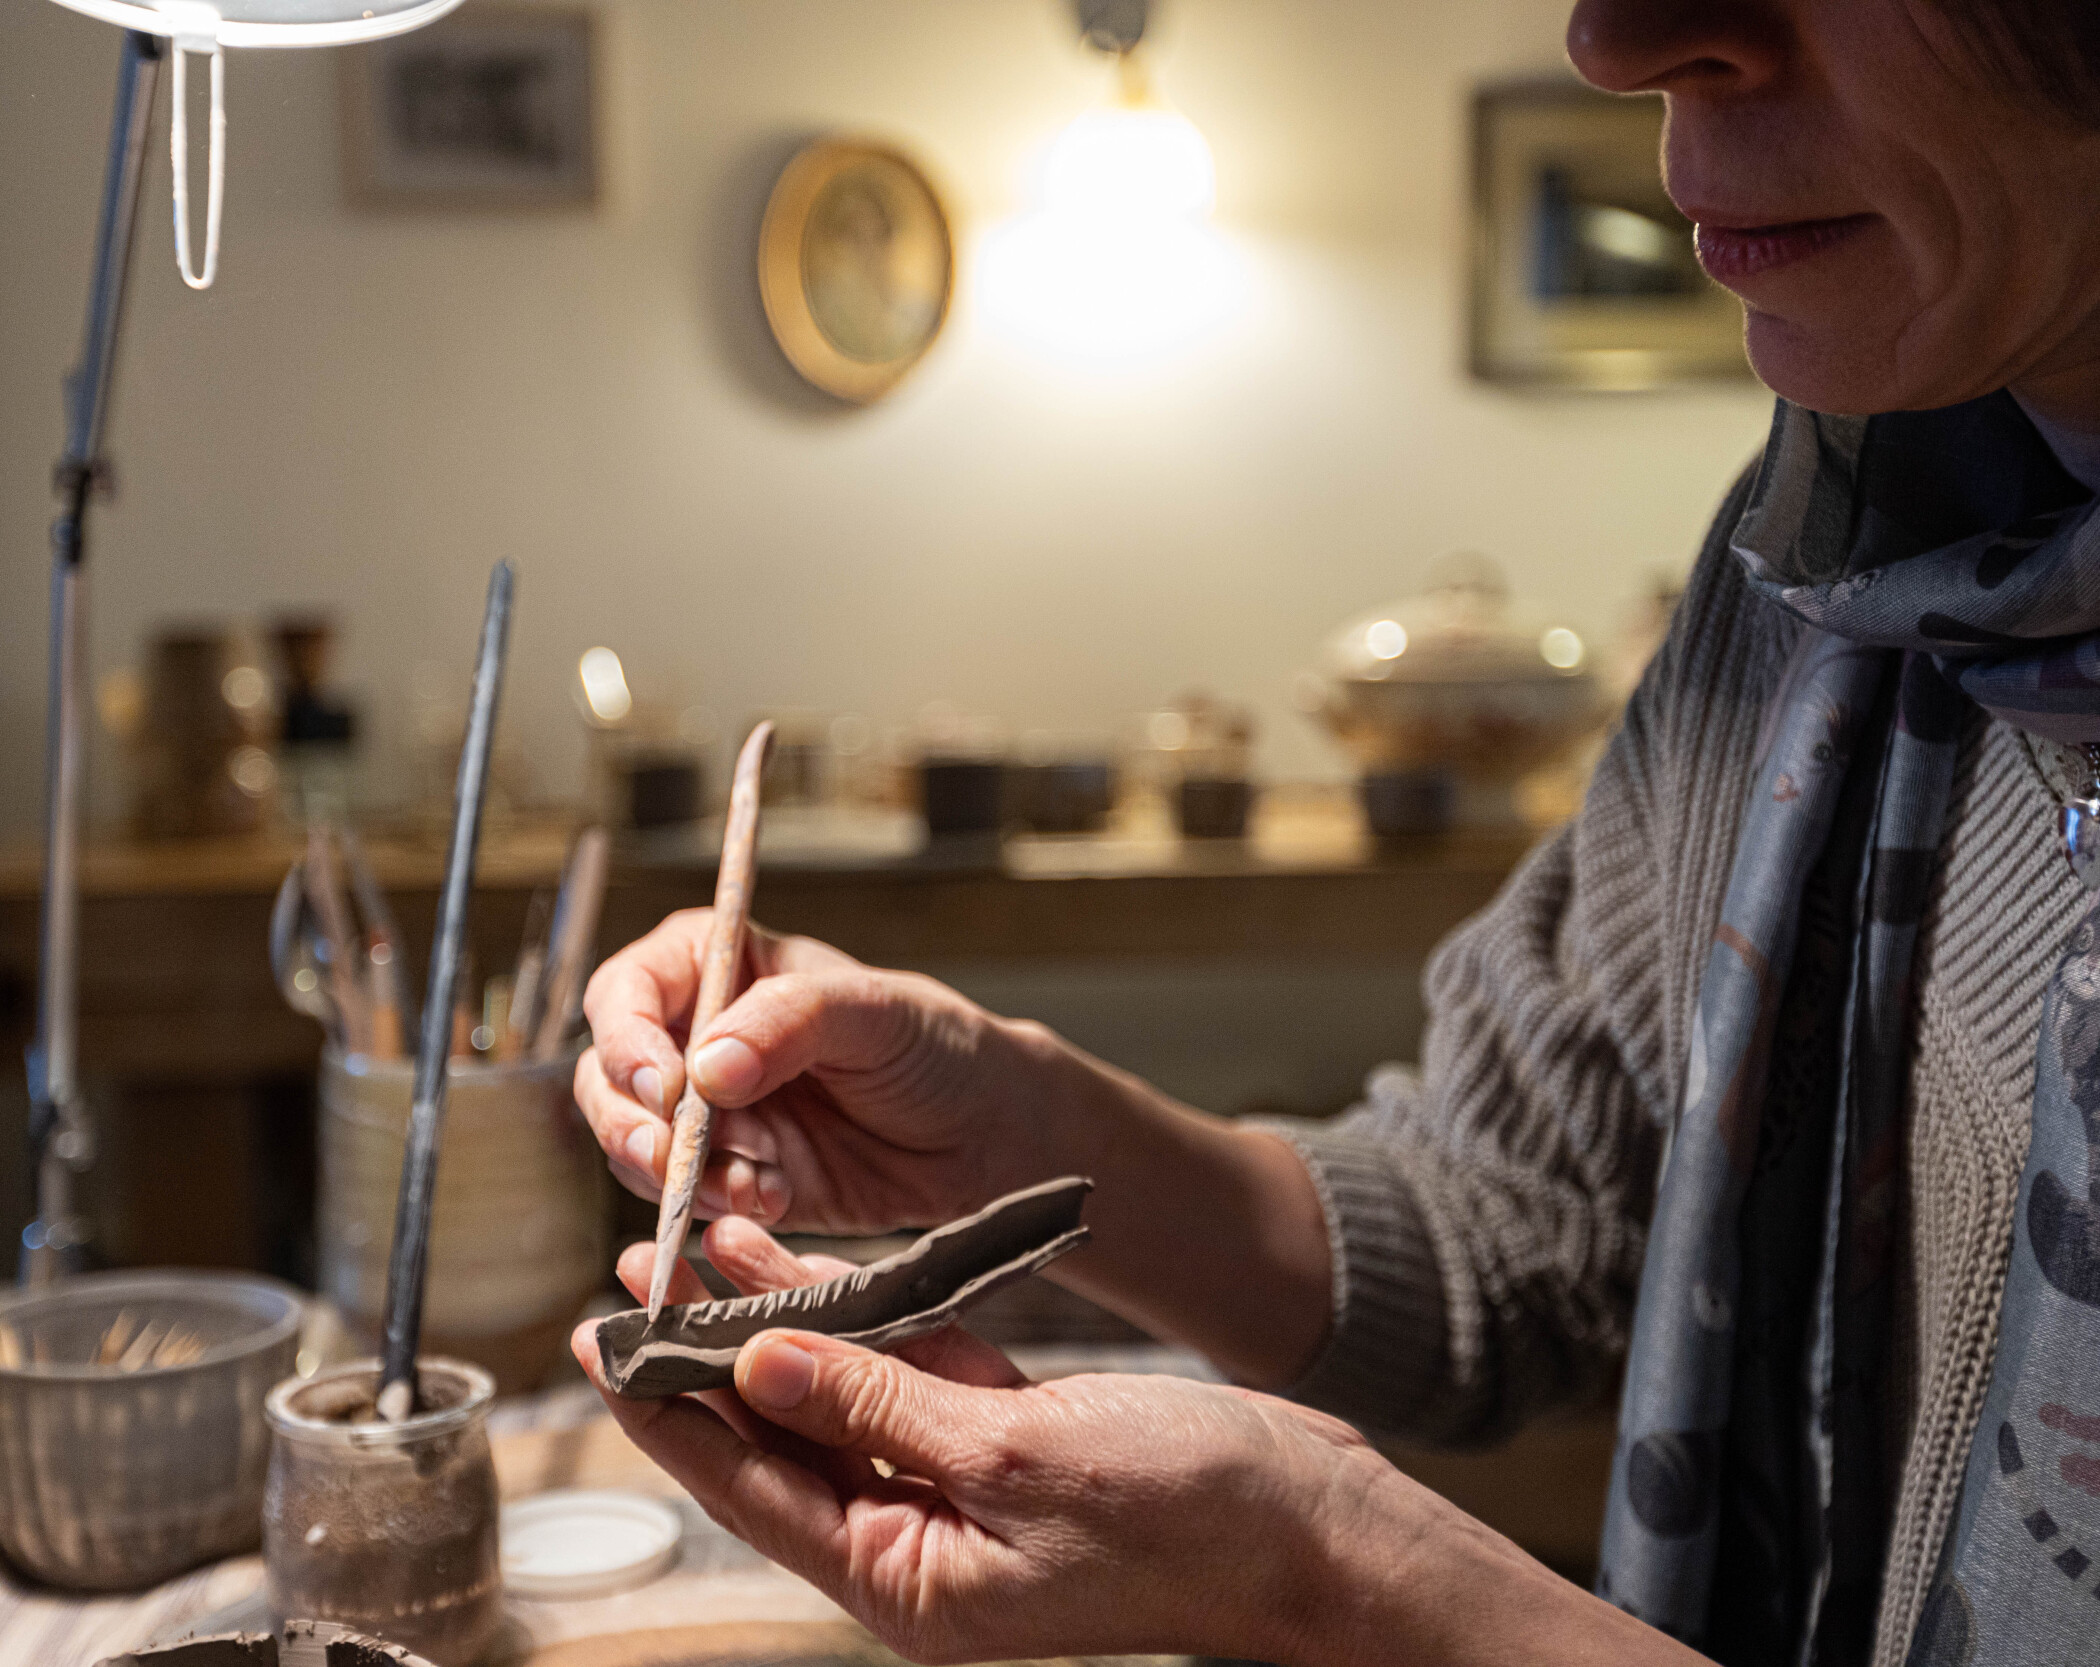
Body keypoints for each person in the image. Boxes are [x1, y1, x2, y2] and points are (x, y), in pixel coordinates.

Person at [569, 2, 2100, 1662]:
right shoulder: (1837, 564)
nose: (1625, 38)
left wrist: (1337, 1573)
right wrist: (1010, 1120)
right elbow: (1515, 1220)